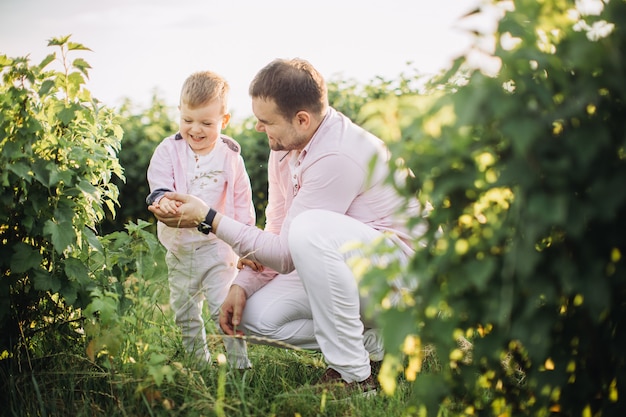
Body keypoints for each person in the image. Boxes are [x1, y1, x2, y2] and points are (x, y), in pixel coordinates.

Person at [149, 58, 420, 391]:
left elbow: (287, 252)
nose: (259, 128)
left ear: (302, 120)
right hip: (350, 269)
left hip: (402, 282)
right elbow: (276, 229)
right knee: (249, 318)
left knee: (309, 229)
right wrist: (243, 283)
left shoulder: (337, 154)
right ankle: (374, 346)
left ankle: (354, 376)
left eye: (266, 121)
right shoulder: (282, 150)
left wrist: (208, 218)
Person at [146, 70, 257, 369]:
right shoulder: (168, 149)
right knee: (184, 310)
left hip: (218, 248)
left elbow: (241, 201)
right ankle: (199, 365)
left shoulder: (229, 155)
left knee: (221, 308)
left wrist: (246, 246)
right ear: (179, 113)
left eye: (206, 123)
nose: (195, 130)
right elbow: (159, 185)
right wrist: (163, 202)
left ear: (224, 120)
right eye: (187, 120)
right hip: (179, 249)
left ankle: (238, 364)